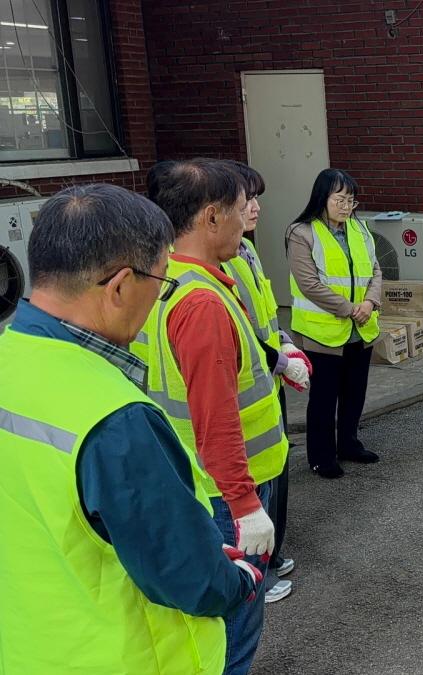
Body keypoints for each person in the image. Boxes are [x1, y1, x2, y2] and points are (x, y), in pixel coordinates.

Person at [0, 184, 260, 673]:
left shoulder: (8, 361)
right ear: (120, 287)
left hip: (27, 647)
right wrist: (240, 578)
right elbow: (192, 580)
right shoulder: (114, 417)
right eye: (161, 284)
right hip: (125, 656)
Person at [138, 158, 288, 675]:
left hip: (191, 481)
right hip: (224, 492)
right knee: (234, 627)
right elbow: (216, 416)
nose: (245, 214)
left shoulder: (166, 277)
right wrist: (246, 506)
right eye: (235, 207)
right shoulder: (202, 303)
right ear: (209, 217)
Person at [221, 160, 307, 603]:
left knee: (276, 474)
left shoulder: (248, 251)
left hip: (266, 381)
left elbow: (267, 316)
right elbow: (244, 333)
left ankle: (272, 557)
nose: (255, 209)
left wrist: (286, 347)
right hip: (248, 388)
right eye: (246, 201)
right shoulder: (219, 266)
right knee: (253, 489)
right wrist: (279, 360)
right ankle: (260, 572)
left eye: (256, 199)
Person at [287, 168, 383, 476]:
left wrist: (370, 302)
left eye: (351, 200)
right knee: (324, 399)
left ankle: (349, 443)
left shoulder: (359, 228)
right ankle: (321, 456)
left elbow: (376, 270)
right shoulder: (301, 232)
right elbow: (308, 284)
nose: (346, 206)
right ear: (322, 197)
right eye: (339, 199)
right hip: (323, 333)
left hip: (361, 328)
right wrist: (350, 308)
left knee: (355, 393)